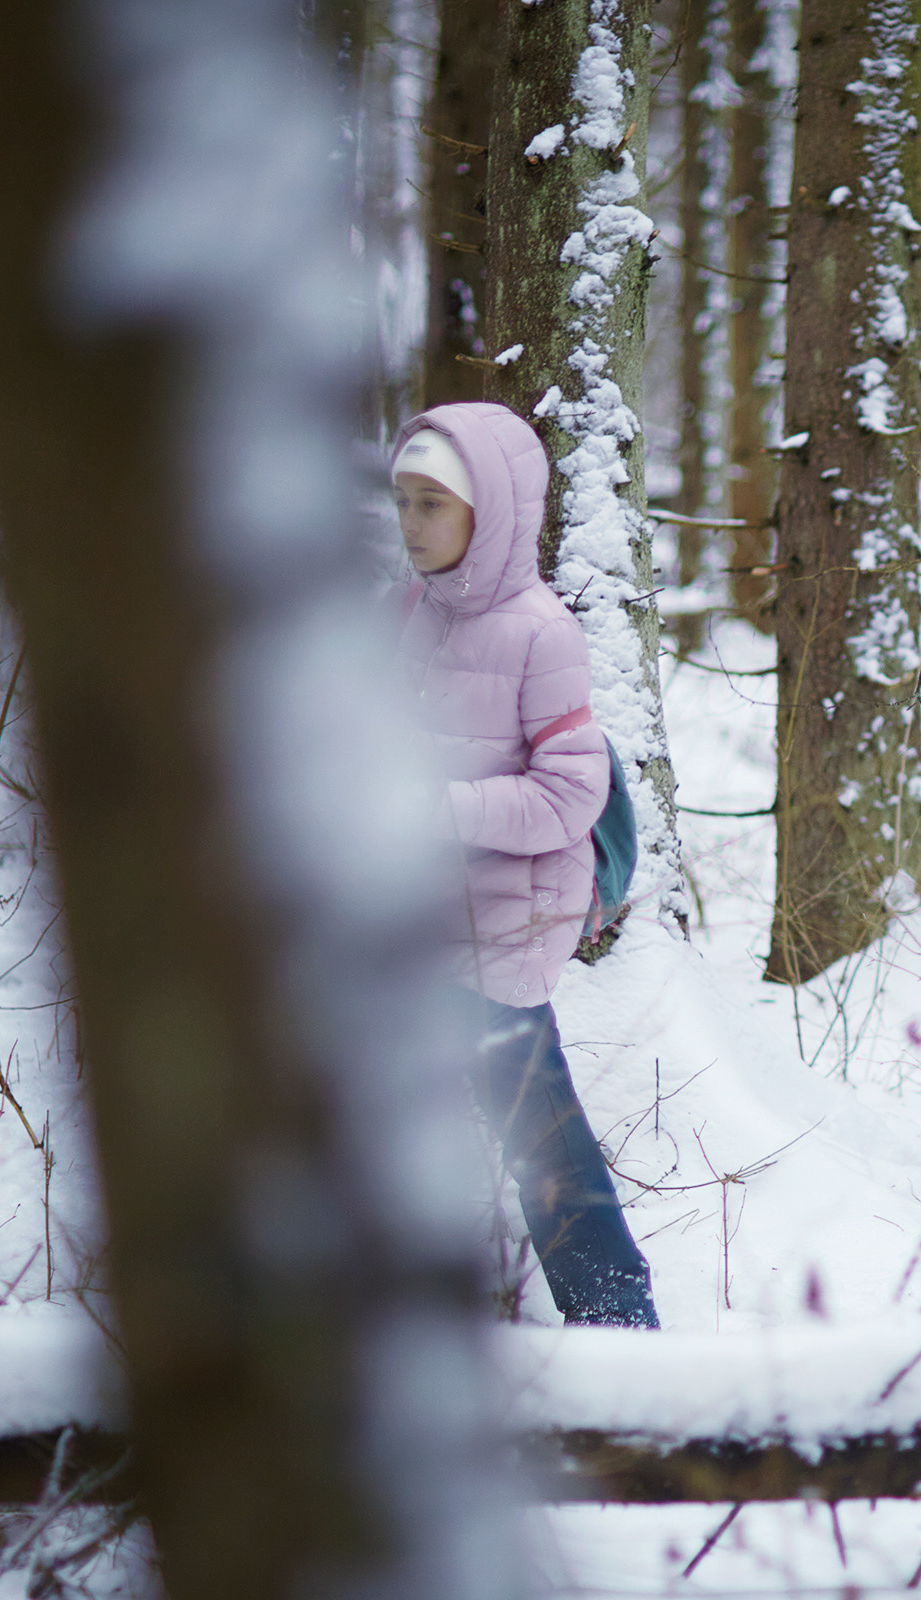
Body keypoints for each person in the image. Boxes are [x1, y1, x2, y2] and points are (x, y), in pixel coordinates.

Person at [392, 403, 660, 1328]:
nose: (413, 522)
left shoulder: (540, 632)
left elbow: (568, 798)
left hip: (498, 929)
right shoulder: (401, 610)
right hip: (405, 922)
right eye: (405, 501)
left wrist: (438, 811)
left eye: (436, 503)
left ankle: (621, 1327)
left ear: (493, 509)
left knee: (541, 1143)